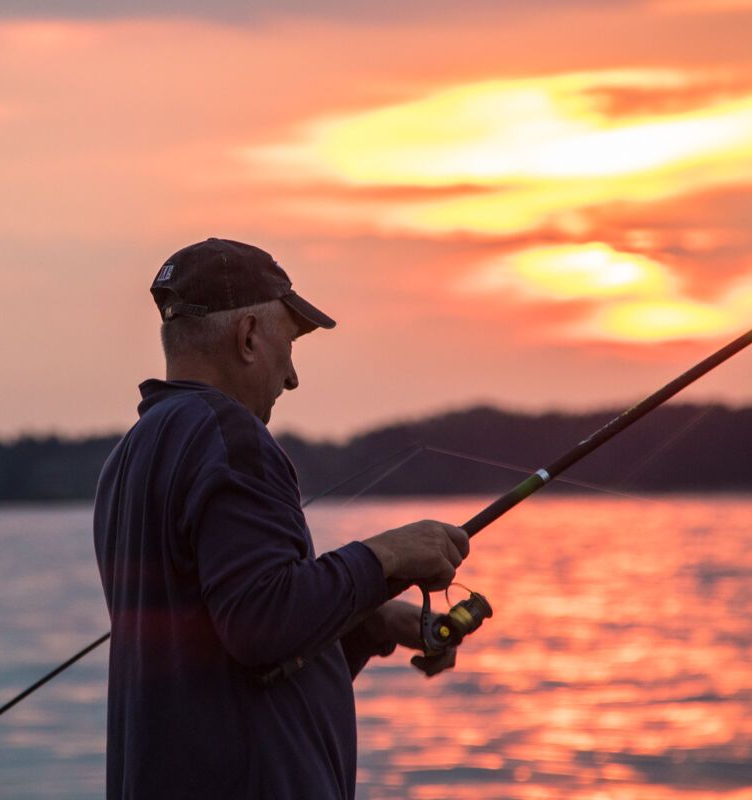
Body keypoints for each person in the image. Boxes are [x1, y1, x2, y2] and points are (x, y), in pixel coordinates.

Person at [92, 238, 471, 799]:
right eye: (289, 345)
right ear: (248, 337)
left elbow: (230, 658)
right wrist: (386, 555)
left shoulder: (129, 458)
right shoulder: (228, 436)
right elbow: (261, 623)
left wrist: (368, 620)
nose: (291, 378)